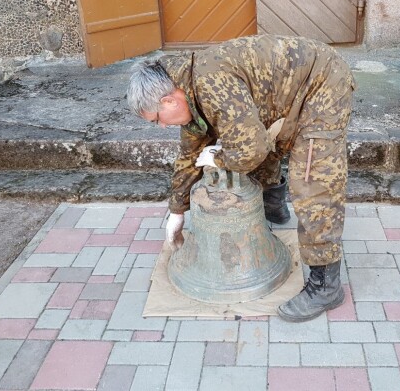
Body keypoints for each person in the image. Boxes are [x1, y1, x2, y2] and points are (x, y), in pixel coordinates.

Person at [127, 34, 355, 322]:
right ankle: (272, 208)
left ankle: (326, 287)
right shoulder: (188, 90)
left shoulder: (210, 84)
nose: (160, 127)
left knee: (313, 180)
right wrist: (177, 210)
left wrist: (219, 158)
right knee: (251, 142)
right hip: (284, 92)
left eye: (157, 119)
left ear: (169, 99)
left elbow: (251, 149)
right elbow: (190, 154)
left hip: (322, 83)